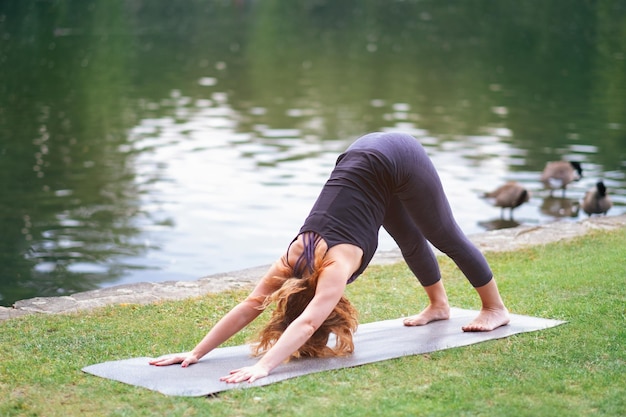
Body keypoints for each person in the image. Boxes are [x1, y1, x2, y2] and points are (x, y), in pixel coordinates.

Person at [149, 131, 510, 383]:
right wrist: (195, 353)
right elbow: (251, 304)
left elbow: (305, 324)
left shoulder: (334, 267)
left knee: (442, 234)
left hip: (398, 155)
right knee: (408, 238)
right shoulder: (290, 260)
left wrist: (264, 366)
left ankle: (495, 308)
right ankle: (438, 306)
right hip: (362, 160)